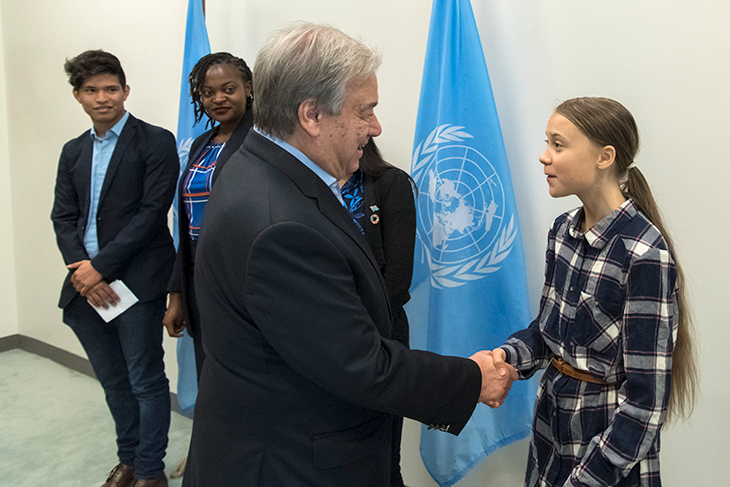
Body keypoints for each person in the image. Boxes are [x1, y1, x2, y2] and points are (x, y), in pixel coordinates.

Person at [182, 22, 516, 487]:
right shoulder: (281, 225)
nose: (375, 128)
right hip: (292, 462)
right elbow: (360, 365)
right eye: (365, 111)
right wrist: (471, 378)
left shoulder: (255, 165)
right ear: (312, 115)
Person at [491, 97, 698, 487]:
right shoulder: (562, 232)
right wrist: (504, 359)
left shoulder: (645, 255)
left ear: (604, 157)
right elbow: (548, 333)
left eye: (558, 144)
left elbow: (645, 404)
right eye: (546, 143)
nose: (543, 156)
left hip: (606, 455)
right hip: (552, 433)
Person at [51, 49, 178, 487]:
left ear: (125, 91)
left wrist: (101, 267)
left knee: (144, 379)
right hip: (85, 285)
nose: (103, 98)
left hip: (137, 281)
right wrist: (83, 272)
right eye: (92, 90)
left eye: (111, 89)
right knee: (113, 382)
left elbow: (151, 213)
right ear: (77, 96)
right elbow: (62, 218)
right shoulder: (73, 151)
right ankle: (129, 460)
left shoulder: (156, 141)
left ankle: (150, 471)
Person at [163, 52, 254, 381]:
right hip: (199, 273)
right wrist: (177, 294)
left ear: (247, 87)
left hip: (244, 272)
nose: (218, 98)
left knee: (242, 370)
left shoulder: (266, 138)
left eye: (228, 89)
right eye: (207, 92)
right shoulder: (203, 142)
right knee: (211, 370)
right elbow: (186, 225)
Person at [339, 139, 416, 487]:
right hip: (324, 344)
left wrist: (345, 323)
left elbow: (398, 280)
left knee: (384, 460)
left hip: (379, 338)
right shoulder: (307, 186)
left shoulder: (390, 183)